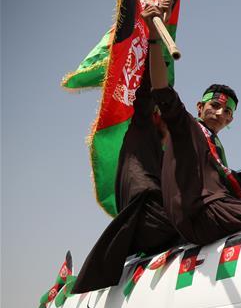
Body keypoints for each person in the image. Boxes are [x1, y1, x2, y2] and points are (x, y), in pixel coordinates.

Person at [144, 2, 241, 246]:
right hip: (204, 211)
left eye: (227, 111)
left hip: (221, 209)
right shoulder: (185, 127)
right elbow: (160, 88)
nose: (220, 113)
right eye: (214, 106)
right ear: (200, 107)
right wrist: (154, 36)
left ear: (231, 119)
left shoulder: (215, 146)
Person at [72, 71, 180, 293]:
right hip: (148, 215)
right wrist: (152, 44)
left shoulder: (163, 153)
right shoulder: (141, 126)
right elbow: (144, 95)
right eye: (170, 121)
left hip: (152, 221)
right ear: (158, 116)